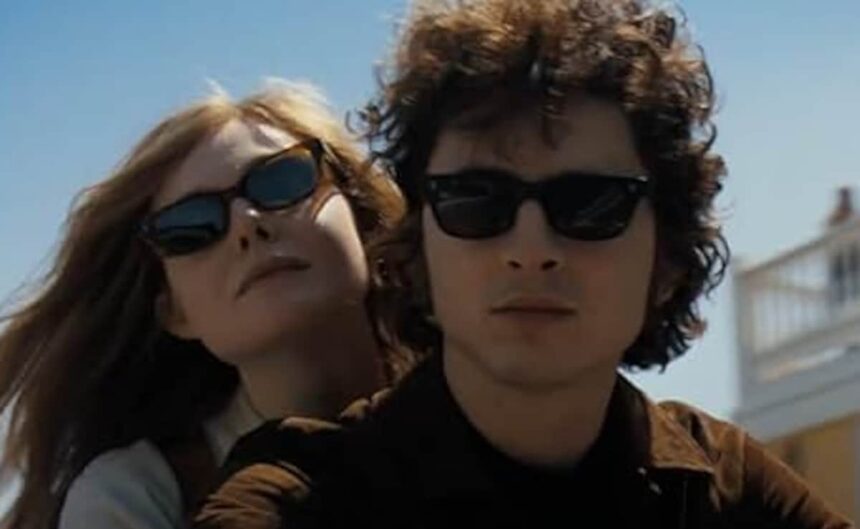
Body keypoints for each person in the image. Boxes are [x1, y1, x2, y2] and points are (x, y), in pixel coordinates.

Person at [194, 1, 854, 528]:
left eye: (590, 204)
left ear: (667, 263)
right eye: (476, 200)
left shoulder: (724, 489)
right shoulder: (304, 496)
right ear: (417, 252)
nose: (531, 247)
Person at [0, 80, 405, 529]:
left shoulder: (470, 387)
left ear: (361, 217)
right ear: (175, 314)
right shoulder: (135, 495)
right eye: (191, 227)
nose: (246, 223)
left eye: (281, 180)